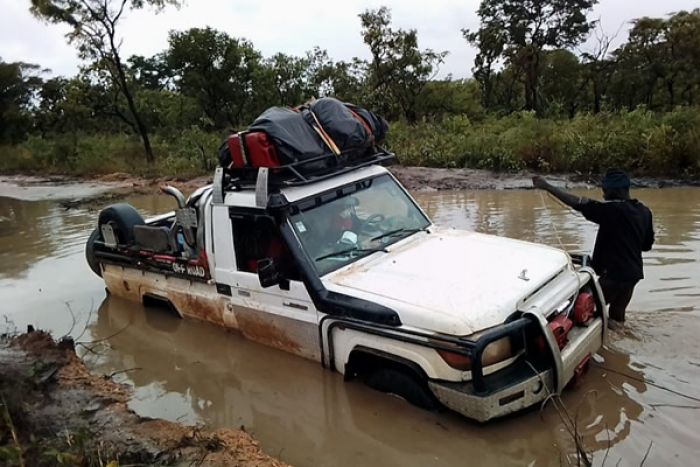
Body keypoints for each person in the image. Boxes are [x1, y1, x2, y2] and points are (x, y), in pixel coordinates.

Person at [532, 170, 654, 330]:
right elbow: (646, 246)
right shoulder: (644, 212)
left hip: (612, 277)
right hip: (633, 275)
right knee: (616, 319)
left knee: (576, 310)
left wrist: (547, 186)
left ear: (615, 191)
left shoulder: (612, 211)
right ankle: (618, 349)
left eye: (605, 190)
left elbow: (578, 203)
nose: (603, 194)